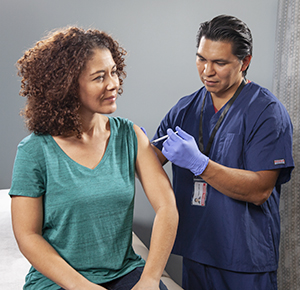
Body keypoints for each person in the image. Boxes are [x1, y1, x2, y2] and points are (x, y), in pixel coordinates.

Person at [9, 26, 178, 290]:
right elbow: (28, 236)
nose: (114, 83)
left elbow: (167, 207)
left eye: (113, 72)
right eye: (99, 77)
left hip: (124, 273)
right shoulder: (34, 151)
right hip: (60, 280)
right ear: (67, 87)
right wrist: (82, 287)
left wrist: (150, 279)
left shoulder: (130, 136)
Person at [151, 15, 294, 290]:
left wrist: (199, 164)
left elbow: (260, 190)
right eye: (201, 59)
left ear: (245, 61)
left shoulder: (266, 112)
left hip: (245, 260)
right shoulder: (185, 109)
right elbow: (148, 163)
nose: (207, 70)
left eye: (220, 62)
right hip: (197, 251)